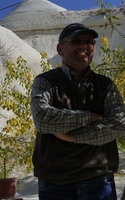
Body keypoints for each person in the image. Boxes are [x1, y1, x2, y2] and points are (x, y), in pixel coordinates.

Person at [30, 23, 125, 200]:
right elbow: (42, 118)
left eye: (89, 41)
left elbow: (120, 123)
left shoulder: (105, 85)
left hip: (98, 181)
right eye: (76, 41)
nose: (84, 45)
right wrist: (89, 117)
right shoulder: (45, 82)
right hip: (55, 184)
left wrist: (73, 136)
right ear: (60, 49)